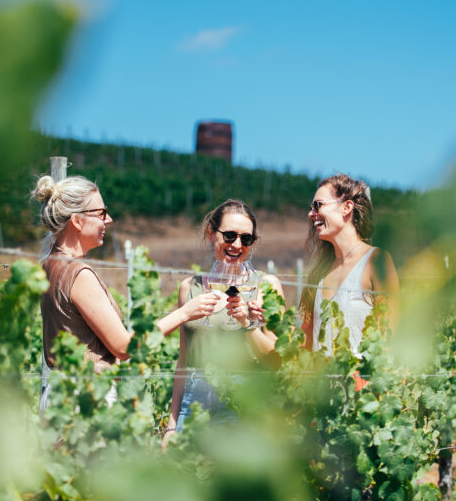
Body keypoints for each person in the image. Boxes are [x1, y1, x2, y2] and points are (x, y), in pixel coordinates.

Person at [32, 175, 217, 406]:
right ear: (78, 221)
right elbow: (124, 347)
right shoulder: (79, 274)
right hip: (86, 397)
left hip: (61, 395)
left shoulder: (51, 265)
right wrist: (185, 313)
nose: (109, 220)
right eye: (101, 213)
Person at [163, 200, 283, 447]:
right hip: (194, 400)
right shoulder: (190, 287)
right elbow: (184, 361)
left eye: (246, 239)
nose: (237, 245)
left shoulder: (265, 286)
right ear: (211, 233)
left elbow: (277, 360)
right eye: (229, 236)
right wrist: (172, 425)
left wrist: (247, 324)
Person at [299, 174, 399, 363]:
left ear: (346, 208)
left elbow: (390, 339)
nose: (311, 214)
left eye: (318, 205)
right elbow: (305, 344)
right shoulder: (319, 272)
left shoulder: (376, 261)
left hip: (362, 381)